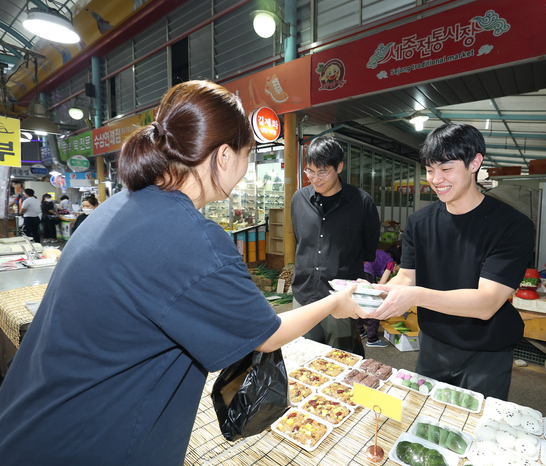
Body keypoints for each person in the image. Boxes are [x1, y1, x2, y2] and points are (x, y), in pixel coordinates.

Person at [0, 81, 366, 466]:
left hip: (33, 427)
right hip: (94, 442)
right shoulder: (191, 237)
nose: (245, 168)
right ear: (224, 156)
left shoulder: (118, 206)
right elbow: (268, 335)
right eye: (247, 154)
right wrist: (336, 302)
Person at [370, 123, 534, 400]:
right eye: (429, 170)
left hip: (485, 354)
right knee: (425, 416)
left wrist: (414, 296)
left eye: (446, 169)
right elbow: (407, 277)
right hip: (432, 345)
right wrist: (376, 294)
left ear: (475, 163)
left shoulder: (512, 226)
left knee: (474, 423)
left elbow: (486, 303)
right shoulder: (419, 222)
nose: (435, 179)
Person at [291, 137, 380, 357]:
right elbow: (301, 241)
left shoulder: (362, 203)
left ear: (339, 167)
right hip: (304, 295)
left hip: (340, 299)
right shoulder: (299, 199)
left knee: (341, 358)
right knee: (303, 357)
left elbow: (368, 251)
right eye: (310, 172)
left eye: (322, 172)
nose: (315, 179)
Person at [357, 245, 401, 347]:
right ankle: (372, 339)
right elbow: (381, 284)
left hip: (358, 272)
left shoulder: (379, 253)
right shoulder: (390, 262)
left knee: (360, 304)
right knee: (373, 307)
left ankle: (360, 331)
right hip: (368, 276)